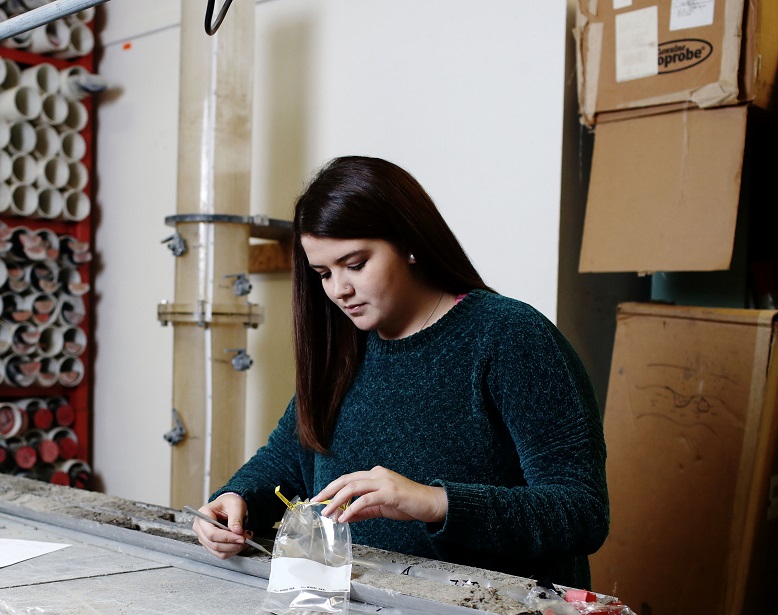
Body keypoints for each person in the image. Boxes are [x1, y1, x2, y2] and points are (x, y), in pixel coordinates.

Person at [191, 155, 609, 589]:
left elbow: (582, 511)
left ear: (410, 243)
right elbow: (288, 459)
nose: (339, 290)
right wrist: (235, 499)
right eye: (323, 273)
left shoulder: (509, 336)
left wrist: (433, 501)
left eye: (355, 264)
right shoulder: (342, 347)